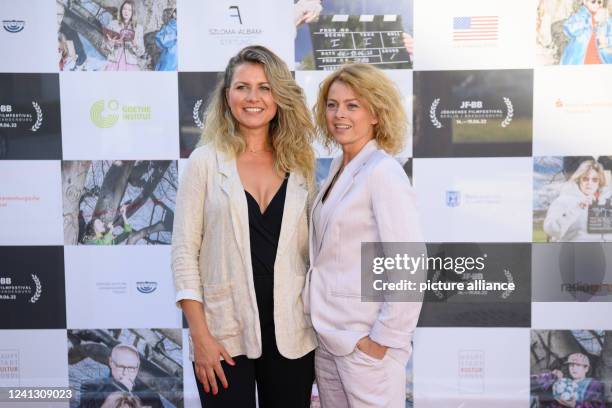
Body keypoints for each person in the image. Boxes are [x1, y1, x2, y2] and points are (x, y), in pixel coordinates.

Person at [171, 45, 317, 407]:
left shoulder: (300, 163)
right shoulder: (204, 162)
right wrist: (200, 336)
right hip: (223, 333)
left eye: (265, 87)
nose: (253, 98)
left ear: (279, 95)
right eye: (243, 87)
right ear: (227, 96)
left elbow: (313, 250)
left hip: (292, 333)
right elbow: (184, 252)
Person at [304, 63, 424, 407]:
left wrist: (380, 341)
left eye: (352, 105)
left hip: (364, 345)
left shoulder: (383, 172)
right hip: (329, 340)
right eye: (332, 104)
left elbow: (409, 264)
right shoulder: (337, 169)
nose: (339, 114)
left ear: (375, 113)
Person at [543, 159, 612, 241]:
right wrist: (577, 208)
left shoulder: (605, 201)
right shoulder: (563, 200)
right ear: (579, 179)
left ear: (599, 182)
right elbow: (551, 230)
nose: (589, 183)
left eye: (594, 180)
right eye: (585, 179)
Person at [79, 344, 162, 408]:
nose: (125, 373)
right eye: (121, 367)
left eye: (131, 368)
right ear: (111, 362)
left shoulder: (151, 396)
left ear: (137, 367)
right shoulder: (92, 388)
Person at [531, 353, 605, 407]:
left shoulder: (593, 384)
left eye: (578, 365)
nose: (573, 368)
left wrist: (575, 405)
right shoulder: (563, 383)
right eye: (571, 365)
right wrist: (552, 376)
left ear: (586, 368)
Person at [560, 0, 612, 64]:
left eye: (599, 2)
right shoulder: (579, 16)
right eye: (593, 2)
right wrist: (588, 21)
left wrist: (606, 41)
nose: (597, 4)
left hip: (602, 58)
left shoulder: (607, 19)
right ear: (584, 2)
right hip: (578, 57)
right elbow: (569, 30)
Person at [104, 0, 144, 71]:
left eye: (129, 10)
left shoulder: (138, 28)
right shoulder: (112, 24)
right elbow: (104, 46)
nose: (126, 12)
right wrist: (111, 43)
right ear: (121, 10)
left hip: (130, 65)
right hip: (113, 62)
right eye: (124, 9)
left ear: (133, 12)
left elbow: (141, 52)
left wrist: (135, 44)